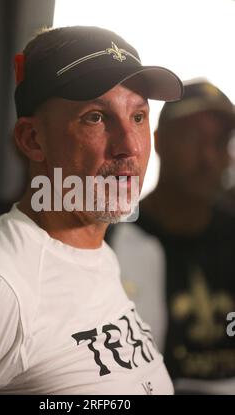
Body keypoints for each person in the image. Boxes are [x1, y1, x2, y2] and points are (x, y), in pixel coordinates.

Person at [0, 25, 183, 395]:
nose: (129, 147)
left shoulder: (96, 254)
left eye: (138, 117)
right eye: (96, 117)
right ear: (33, 140)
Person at [108, 79, 235, 394]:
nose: (208, 157)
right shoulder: (112, 239)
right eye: (193, 138)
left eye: (220, 142)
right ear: (159, 142)